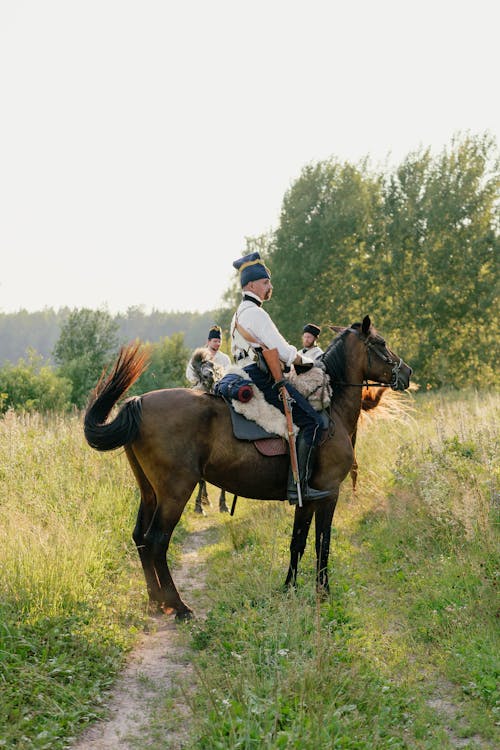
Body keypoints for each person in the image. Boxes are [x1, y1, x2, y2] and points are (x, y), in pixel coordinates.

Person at [230, 252, 329, 503]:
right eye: (265, 282)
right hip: (262, 376)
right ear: (251, 285)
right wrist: (308, 362)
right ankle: (298, 488)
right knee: (313, 422)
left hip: (245, 371)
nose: (269, 287)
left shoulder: (240, 312)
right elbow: (284, 352)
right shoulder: (256, 313)